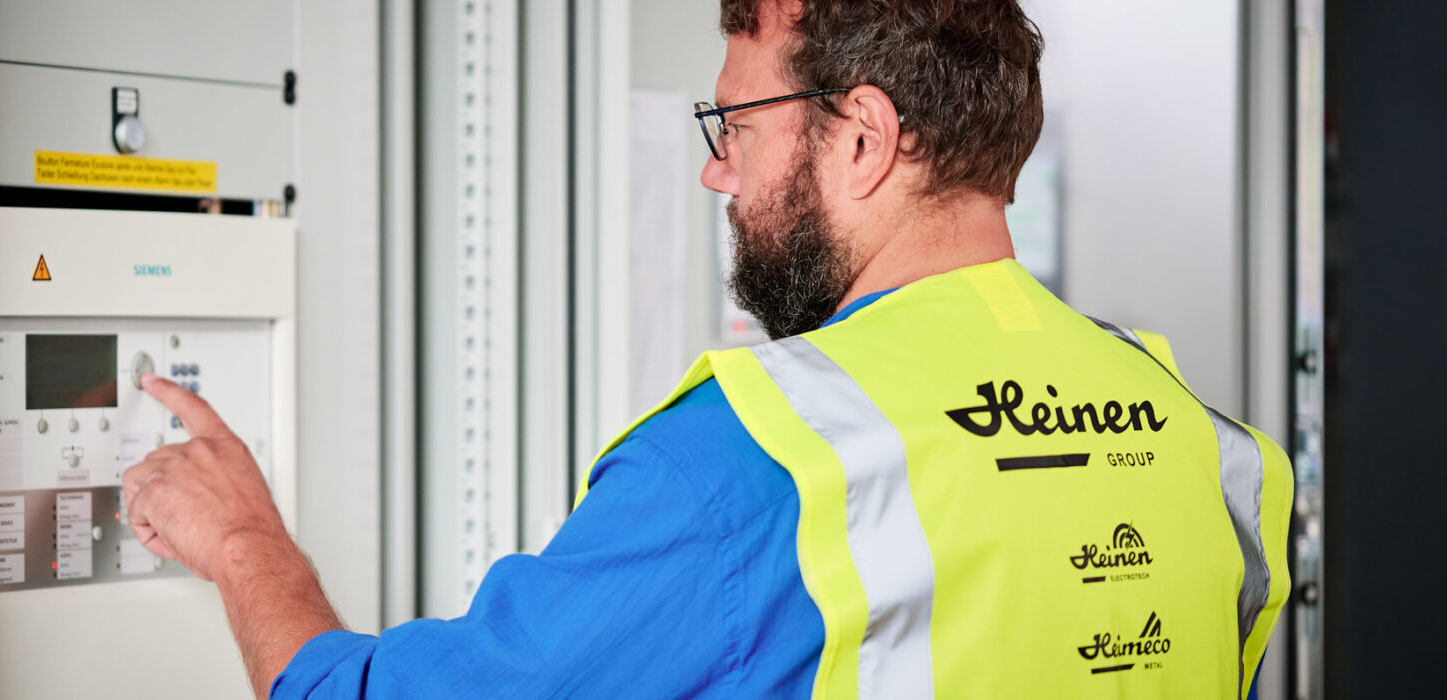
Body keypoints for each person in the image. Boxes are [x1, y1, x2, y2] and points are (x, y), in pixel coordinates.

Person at [121, 0, 1293, 697]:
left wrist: (242, 544)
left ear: (865, 138)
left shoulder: (758, 458)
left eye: (735, 123)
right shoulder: (1200, 438)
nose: (714, 169)